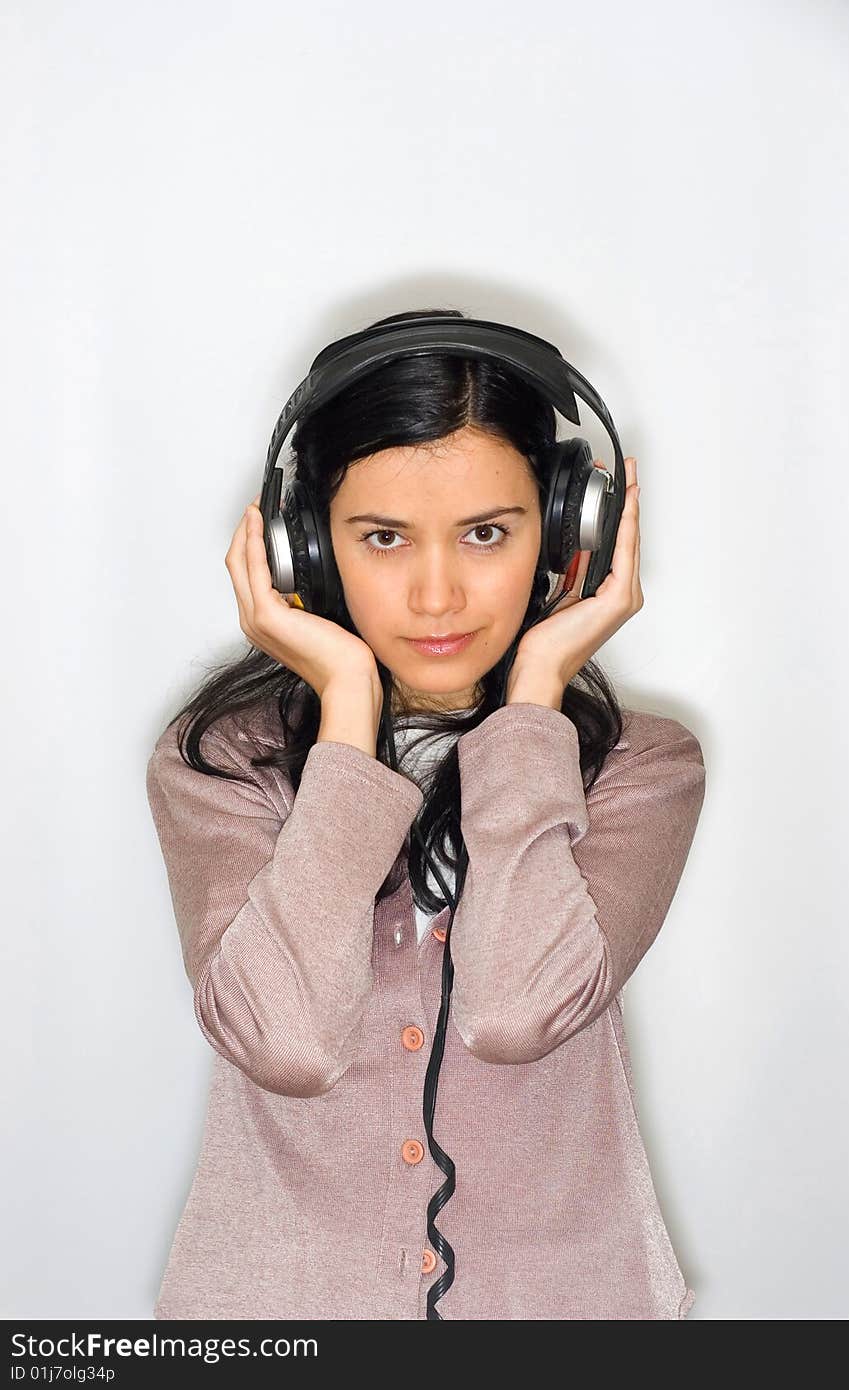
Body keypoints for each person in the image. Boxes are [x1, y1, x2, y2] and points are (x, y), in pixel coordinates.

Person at [145, 306, 706, 1320]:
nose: (438, 593)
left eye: (487, 533)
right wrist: (348, 712)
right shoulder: (223, 761)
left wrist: (536, 694)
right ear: (305, 546)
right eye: (383, 537)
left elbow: (515, 1010)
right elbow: (289, 1044)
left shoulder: (639, 765)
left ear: (567, 535)